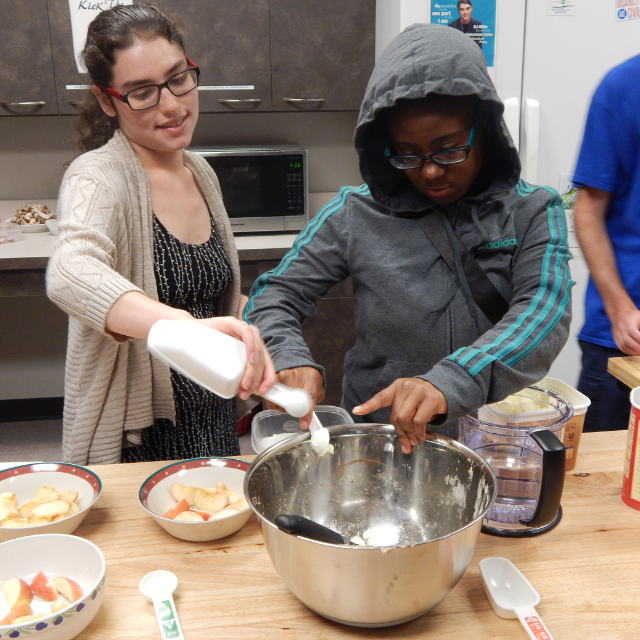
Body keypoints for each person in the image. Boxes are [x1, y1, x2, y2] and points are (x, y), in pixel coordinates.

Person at [244, 24, 572, 455]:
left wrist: (450, 380)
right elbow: (275, 294)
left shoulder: (533, 211)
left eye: (449, 149)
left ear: (486, 132)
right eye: (408, 154)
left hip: (492, 439)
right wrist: (287, 356)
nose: (430, 171)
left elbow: (543, 310)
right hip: (377, 442)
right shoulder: (352, 214)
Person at [46, 4, 275, 465]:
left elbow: (211, 294)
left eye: (177, 78)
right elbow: (70, 273)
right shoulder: (98, 177)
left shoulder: (200, 172)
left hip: (213, 415)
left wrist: (261, 337)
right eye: (141, 92)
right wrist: (183, 328)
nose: (171, 104)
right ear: (107, 100)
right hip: (141, 433)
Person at [573, 54, 640, 432]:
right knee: (605, 480)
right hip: (625, 343)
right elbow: (587, 212)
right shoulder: (623, 86)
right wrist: (619, 309)